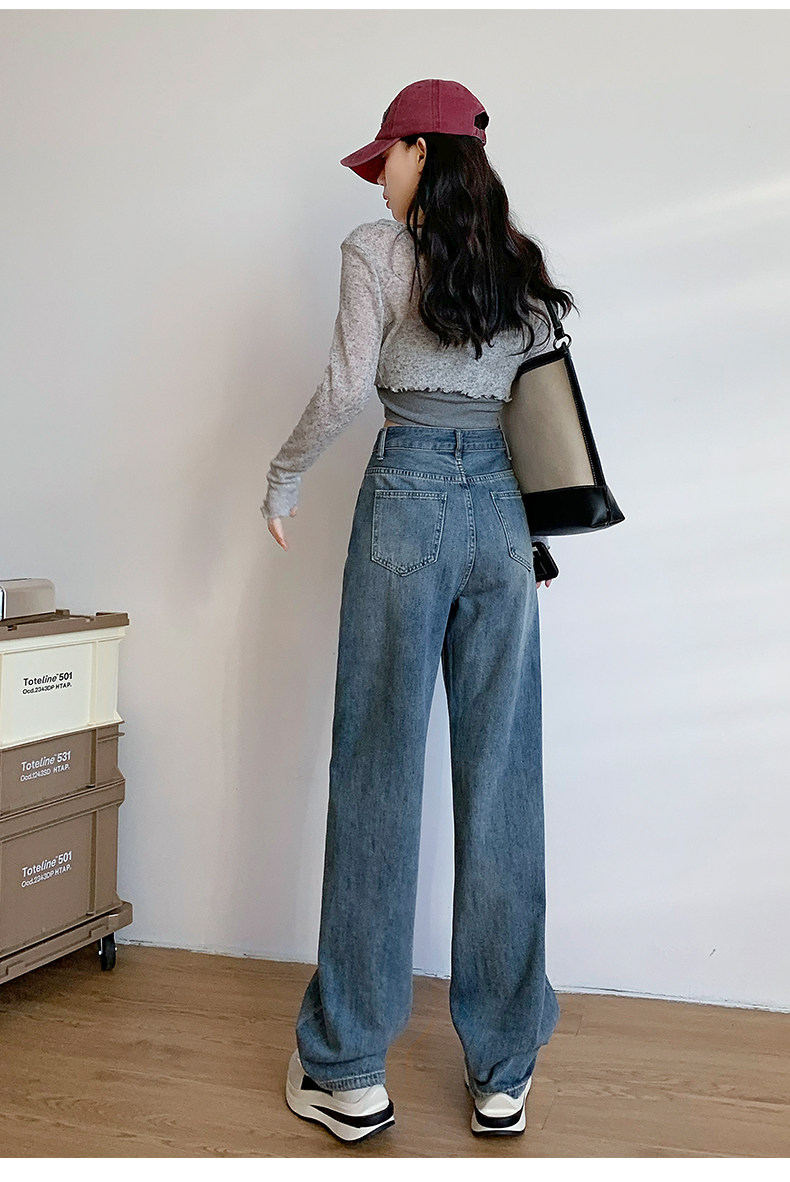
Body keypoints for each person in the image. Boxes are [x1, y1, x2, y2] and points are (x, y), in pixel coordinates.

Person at [264, 79, 577, 1144]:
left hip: (405, 500)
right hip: (501, 514)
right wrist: (528, 535)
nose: (379, 179)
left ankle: (350, 1070)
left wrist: (282, 476)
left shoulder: (374, 251)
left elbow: (347, 386)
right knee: (503, 785)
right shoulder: (516, 262)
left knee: (377, 777)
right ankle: (502, 1072)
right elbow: (536, 411)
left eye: (387, 156)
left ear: (420, 151)